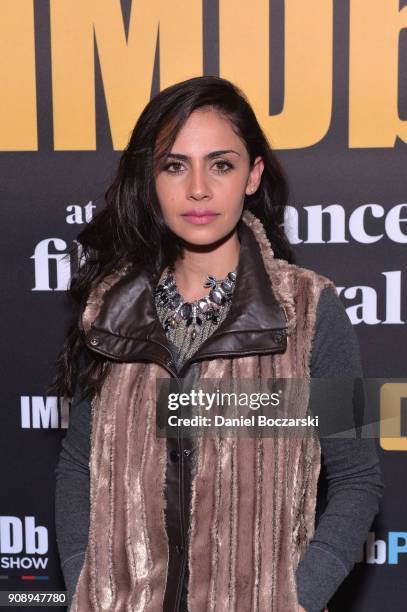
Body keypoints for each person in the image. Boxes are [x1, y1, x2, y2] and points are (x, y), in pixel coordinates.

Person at [50, 76, 383, 612]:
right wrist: (86, 590)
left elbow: (357, 479)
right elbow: (78, 466)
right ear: (151, 179)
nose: (198, 188)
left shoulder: (307, 312)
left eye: (221, 164)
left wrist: (296, 598)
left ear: (252, 175)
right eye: (175, 165)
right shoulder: (110, 310)